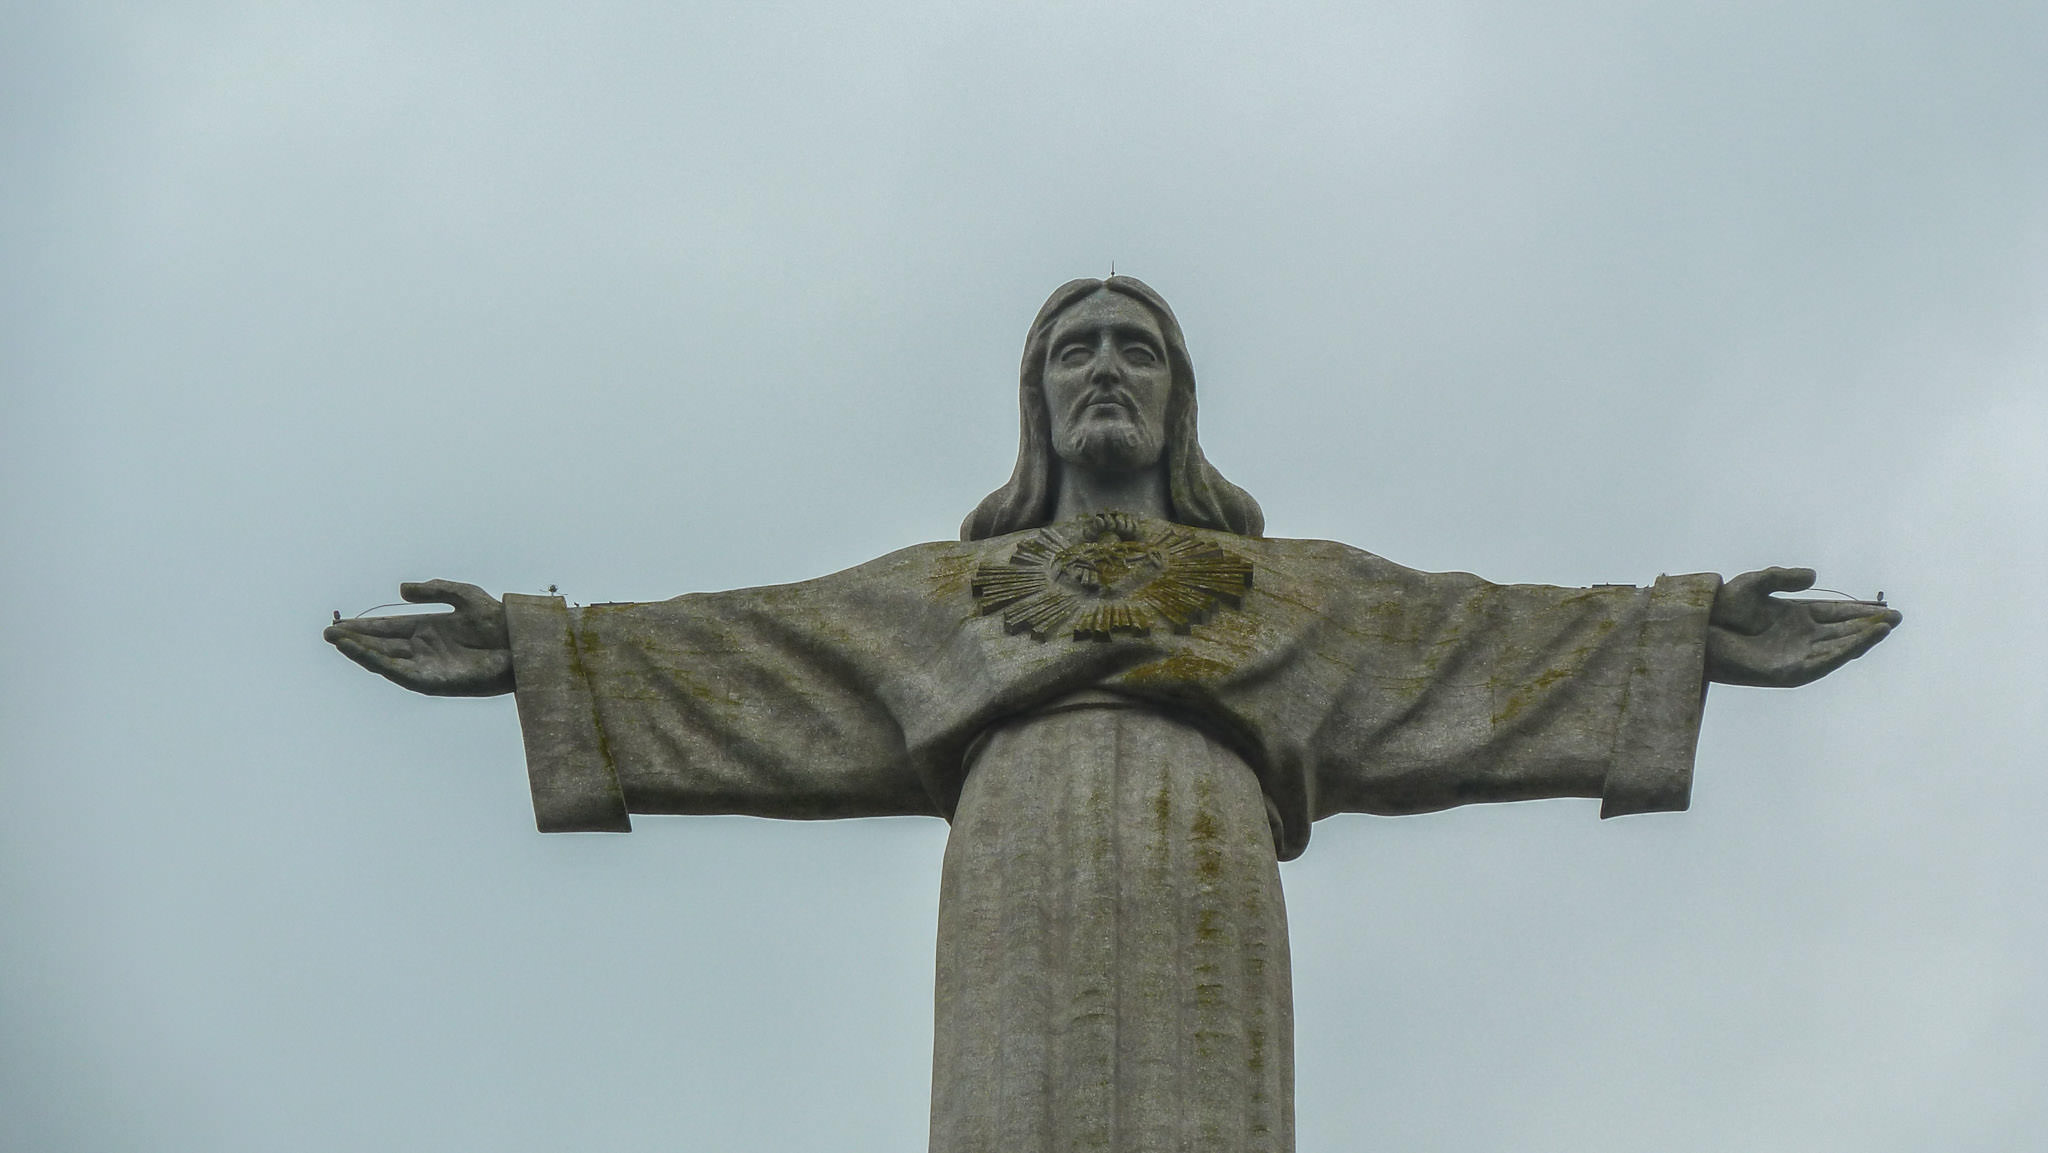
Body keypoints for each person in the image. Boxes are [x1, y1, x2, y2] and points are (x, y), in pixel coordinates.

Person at [325, 275, 1899, 1153]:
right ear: (1037, 400)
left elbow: (1473, 639)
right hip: (1015, 862)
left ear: (1176, 396)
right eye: (1073, 350)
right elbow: (758, 653)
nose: (1104, 371)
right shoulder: (939, 598)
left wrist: (1685, 636)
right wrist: (546, 656)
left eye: (1135, 349)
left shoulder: (1287, 593)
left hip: (1204, 864)